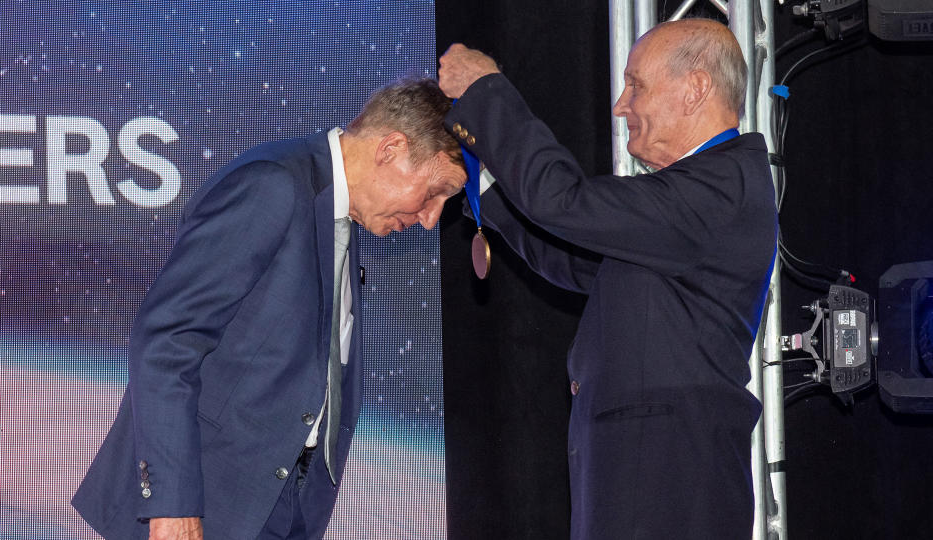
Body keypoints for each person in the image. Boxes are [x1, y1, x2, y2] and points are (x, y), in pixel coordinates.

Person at [72, 78, 466, 540]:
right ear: (391, 149)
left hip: (280, 505)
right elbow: (167, 341)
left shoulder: (342, 213)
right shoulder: (274, 184)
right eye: (436, 191)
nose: (432, 217)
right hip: (202, 506)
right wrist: (174, 505)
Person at [438, 18, 777, 539]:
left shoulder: (721, 187)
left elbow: (562, 201)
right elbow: (574, 260)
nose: (621, 105)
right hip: (654, 473)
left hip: (669, 476)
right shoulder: (697, 197)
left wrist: (486, 92)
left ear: (696, 90)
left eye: (636, 85)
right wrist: (481, 182)